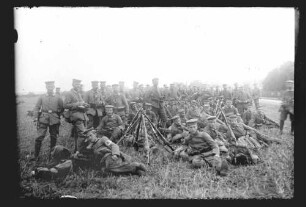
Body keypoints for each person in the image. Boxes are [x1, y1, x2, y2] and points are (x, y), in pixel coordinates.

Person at [31, 130, 147, 180]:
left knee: (110, 167)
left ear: (95, 134)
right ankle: (135, 170)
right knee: (106, 171)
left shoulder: (102, 139)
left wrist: (115, 154)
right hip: (102, 161)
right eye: (87, 137)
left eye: (90, 135)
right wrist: (78, 154)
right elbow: (85, 156)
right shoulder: (88, 146)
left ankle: (134, 165)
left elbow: (114, 146)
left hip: (110, 156)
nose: (89, 138)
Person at [31, 81, 64, 162]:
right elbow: (36, 107)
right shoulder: (42, 97)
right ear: (46, 87)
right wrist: (35, 118)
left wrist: (59, 116)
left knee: (53, 137)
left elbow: (62, 108)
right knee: (39, 137)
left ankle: (52, 156)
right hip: (43, 118)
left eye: (51, 87)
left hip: (54, 119)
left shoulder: (58, 97)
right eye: (48, 86)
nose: (50, 88)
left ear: (53, 87)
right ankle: (36, 156)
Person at [63, 79, 89, 153]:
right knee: (82, 134)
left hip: (82, 115)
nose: (78, 86)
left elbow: (81, 103)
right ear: (73, 84)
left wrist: (85, 104)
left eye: (79, 84)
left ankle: (76, 150)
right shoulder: (69, 93)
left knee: (78, 134)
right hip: (75, 116)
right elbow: (65, 105)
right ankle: (81, 151)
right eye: (76, 84)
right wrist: (78, 104)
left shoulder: (78, 93)